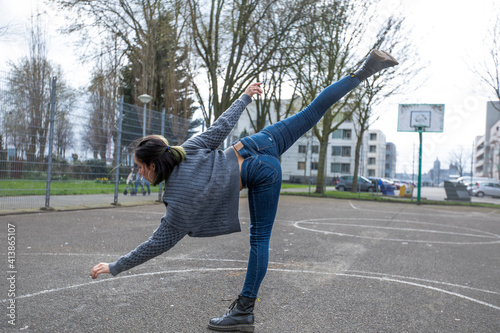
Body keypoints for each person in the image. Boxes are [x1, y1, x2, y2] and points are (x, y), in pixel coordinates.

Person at [91, 49, 398, 332]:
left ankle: (243, 313)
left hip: (260, 171)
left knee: (259, 240)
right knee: (312, 111)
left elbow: (155, 245)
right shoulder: (187, 150)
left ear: (153, 166)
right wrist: (244, 97)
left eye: (140, 168)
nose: (140, 174)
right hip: (260, 142)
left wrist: (115, 266)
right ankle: (366, 69)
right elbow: (221, 128)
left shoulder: (177, 204)